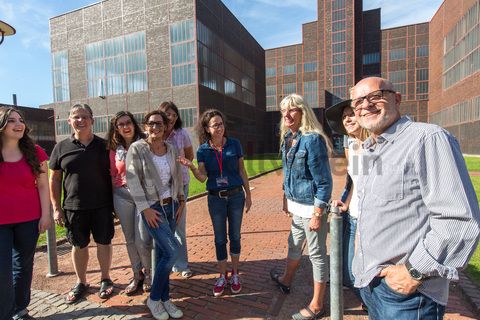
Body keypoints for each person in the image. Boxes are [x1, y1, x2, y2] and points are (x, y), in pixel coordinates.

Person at [350, 76, 480, 320]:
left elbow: (458, 219)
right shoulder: (370, 148)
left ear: (397, 99)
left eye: (375, 96)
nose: (365, 105)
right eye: (357, 102)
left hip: (409, 294)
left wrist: (413, 272)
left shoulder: (427, 139)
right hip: (373, 283)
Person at [269, 94, 332, 320]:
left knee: (316, 255)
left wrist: (318, 214)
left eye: (293, 109)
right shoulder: (289, 138)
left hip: (311, 209)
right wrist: (286, 197)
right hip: (297, 207)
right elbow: (289, 174)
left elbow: (324, 182)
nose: (287, 114)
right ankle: (286, 280)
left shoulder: (312, 139)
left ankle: (317, 305)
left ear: (303, 112)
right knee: (294, 245)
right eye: (284, 110)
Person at [178, 109, 252, 297]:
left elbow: (242, 171)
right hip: (216, 199)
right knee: (220, 239)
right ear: (207, 129)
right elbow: (202, 178)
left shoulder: (234, 144)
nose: (219, 128)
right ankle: (222, 275)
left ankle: (235, 274)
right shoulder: (203, 150)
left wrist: (248, 196)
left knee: (235, 236)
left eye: (221, 124)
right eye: (215, 125)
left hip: (236, 197)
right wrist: (192, 167)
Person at [49, 104, 115, 304]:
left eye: (85, 117)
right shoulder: (60, 147)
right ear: (69, 121)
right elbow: (54, 179)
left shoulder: (105, 146)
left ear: (92, 121)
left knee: (104, 242)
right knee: (79, 245)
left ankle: (105, 278)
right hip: (74, 207)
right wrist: (56, 208)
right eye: (76, 117)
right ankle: (81, 282)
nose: (80, 120)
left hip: (102, 205)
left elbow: (115, 175)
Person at [126, 110, 185, 320]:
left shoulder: (170, 148)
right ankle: (154, 298)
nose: (156, 127)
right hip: (152, 209)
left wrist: (181, 200)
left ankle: (164, 299)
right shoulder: (137, 149)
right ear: (145, 126)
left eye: (160, 124)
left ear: (166, 127)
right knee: (172, 252)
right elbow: (132, 180)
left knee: (162, 255)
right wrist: (145, 208)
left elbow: (176, 176)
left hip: (171, 207)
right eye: (151, 123)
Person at [0, 107, 51, 320]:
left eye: (20, 120)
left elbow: (42, 185)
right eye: (11, 120)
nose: (18, 124)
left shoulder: (35, 151)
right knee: (3, 272)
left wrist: (46, 214)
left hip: (29, 219)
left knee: (23, 266)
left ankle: (21, 309)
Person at [326, 99, 369, 308]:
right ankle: (367, 298)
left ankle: (372, 301)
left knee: (369, 266)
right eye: (344, 117)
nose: (348, 119)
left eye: (351, 114)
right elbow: (353, 180)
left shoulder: (376, 145)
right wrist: (345, 202)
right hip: (353, 214)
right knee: (351, 267)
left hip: (371, 219)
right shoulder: (351, 145)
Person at [107, 111, 152, 295]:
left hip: (142, 197)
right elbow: (112, 174)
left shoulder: (145, 143)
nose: (125, 126)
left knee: (142, 239)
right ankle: (137, 274)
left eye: (128, 122)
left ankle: (149, 273)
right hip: (121, 195)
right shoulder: (114, 148)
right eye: (121, 124)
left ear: (134, 124)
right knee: (130, 239)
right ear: (116, 128)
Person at [158, 101, 194, 279]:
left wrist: (182, 166)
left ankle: (182, 265)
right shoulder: (156, 135)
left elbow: (190, 155)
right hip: (161, 187)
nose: (171, 117)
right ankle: (169, 262)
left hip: (181, 185)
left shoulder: (182, 134)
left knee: (179, 225)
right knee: (164, 227)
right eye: (167, 114)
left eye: (173, 114)